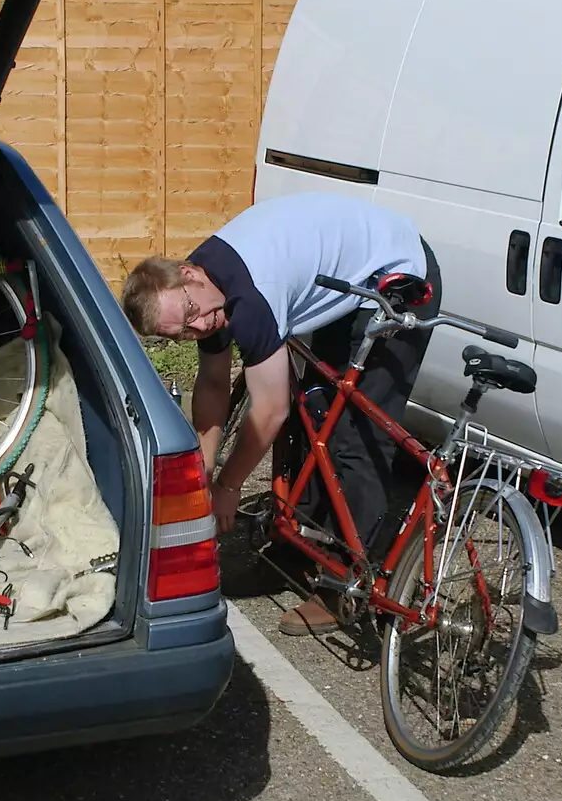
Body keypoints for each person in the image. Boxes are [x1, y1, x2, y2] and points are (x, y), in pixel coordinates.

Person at [120, 191, 443, 635]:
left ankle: (341, 586)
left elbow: (268, 411)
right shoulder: (201, 296)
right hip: (343, 279)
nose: (200, 327)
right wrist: (202, 473)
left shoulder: (248, 298)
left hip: (398, 273)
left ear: (188, 274)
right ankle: (292, 552)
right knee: (313, 417)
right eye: (183, 332)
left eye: (192, 314)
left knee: (354, 437)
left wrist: (229, 486)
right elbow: (213, 383)